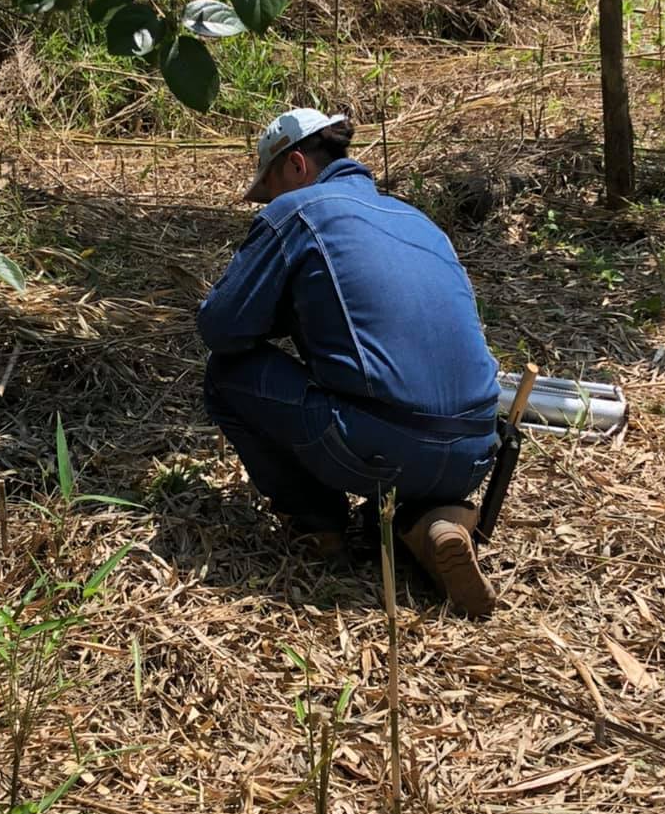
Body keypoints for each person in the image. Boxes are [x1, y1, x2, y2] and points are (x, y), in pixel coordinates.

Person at [198, 108, 501, 616]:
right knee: (412, 423)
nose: (271, 202)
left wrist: (282, 311)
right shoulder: (419, 221)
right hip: (474, 451)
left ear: (296, 165)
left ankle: (318, 527)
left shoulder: (297, 211)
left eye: (270, 189)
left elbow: (221, 327)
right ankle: (431, 521)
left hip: (378, 447)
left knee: (226, 374)